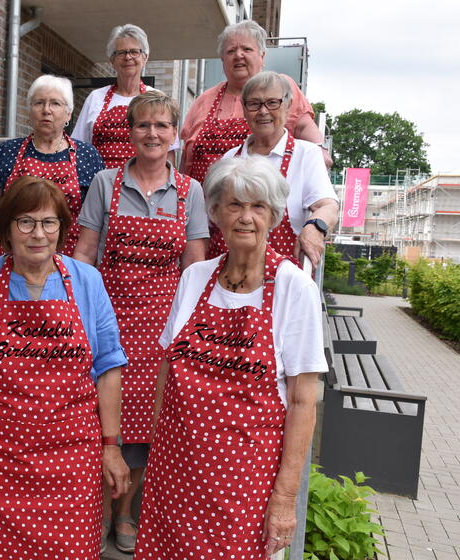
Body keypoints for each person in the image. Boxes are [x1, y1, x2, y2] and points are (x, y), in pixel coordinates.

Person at [135, 156, 326, 560]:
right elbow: (167, 369)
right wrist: (156, 447)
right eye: (235, 204)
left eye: (257, 206)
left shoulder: (294, 287)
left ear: (274, 216)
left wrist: (285, 498)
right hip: (175, 471)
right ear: (216, 212)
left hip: (243, 483)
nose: (245, 217)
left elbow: (302, 401)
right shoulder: (194, 277)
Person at [0, 176, 130, 559]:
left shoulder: (88, 282)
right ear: (7, 228)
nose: (38, 233)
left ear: (61, 228)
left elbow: (108, 367)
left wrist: (111, 447)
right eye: (25, 221)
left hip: (70, 462)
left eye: (48, 222)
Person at [73, 90, 208, 553]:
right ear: (130, 133)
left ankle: (126, 512)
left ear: (174, 135)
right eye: (143, 125)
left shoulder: (191, 191)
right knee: (98, 417)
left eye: (161, 125)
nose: (152, 133)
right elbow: (84, 254)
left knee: (145, 425)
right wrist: (80, 312)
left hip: (160, 327)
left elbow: (194, 268)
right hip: (107, 318)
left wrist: (186, 331)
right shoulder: (105, 183)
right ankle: (96, 510)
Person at [180, 19, 331, 187]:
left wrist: (320, 150)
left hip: (261, 196)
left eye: (247, 49)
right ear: (222, 60)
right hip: (202, 198)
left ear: (262, 56)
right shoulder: (204, 100)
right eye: (231, 51)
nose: (238, 55)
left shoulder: (280, 87)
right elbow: (187, 157)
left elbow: (304, 128)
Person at [211, 71, 339, 266]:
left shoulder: (306, 154)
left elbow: (328, 206)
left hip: (283, 277)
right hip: (231, 272)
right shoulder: (230, 159)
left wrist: (314, 227)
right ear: (244, 109)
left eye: (272, 103)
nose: (263, 111)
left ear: (288, 105)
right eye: (254, 104)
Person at [0, 74, 105, 260]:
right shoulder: (8, 151)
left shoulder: (87, 155)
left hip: (69, 262)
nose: (46, 110)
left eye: (55, 103)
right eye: (39, 103)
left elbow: (96, 220)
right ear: (29, 110)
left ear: (68, 113)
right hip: (13, 260)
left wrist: (82, 268)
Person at [71, 23, 179, 169]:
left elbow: (168, 152)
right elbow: (77, 147)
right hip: (99, 180)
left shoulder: (157, 98)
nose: (128, 57)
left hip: (144, 181)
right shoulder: (95, 98)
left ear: (145, 57)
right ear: (112, 61)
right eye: (121, 53)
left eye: (134, 52)